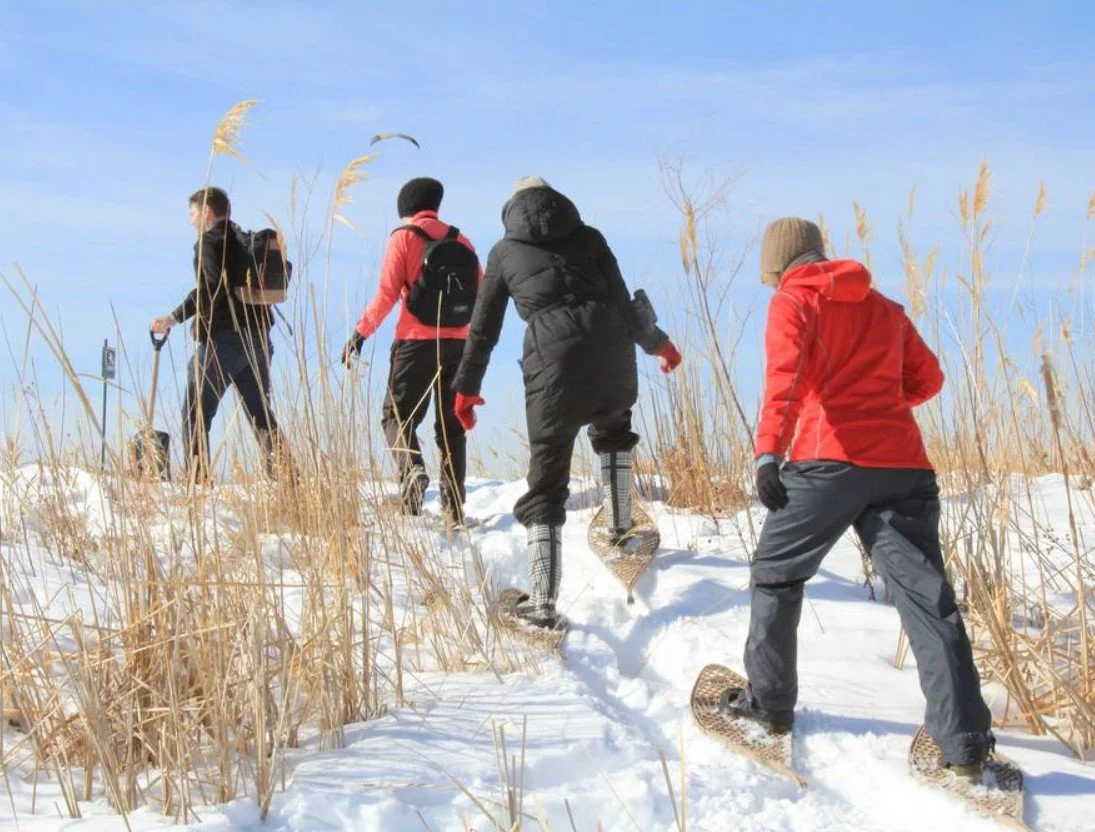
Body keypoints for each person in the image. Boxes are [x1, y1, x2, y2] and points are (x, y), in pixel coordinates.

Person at [721, 217, 994, 781]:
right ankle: (964, 743)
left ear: (779, 266)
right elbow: (930, 378)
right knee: (927, 599)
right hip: (903, 465)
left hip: (829, 460)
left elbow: (785, 380)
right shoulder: (884, 306)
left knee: (775, 573)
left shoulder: (793, 303)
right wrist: (884, 407)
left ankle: (769, 707)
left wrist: (769, 452)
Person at [451, 176, 683, 630]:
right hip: (610, 345)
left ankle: (541, 603)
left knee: (548, 473)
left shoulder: (503, 252)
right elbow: (623, 301)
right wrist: (661, 345)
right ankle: (620, 529)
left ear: (511, 207)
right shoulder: (590, 236)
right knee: (614, 429)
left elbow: (483, 329)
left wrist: (466, 387)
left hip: (552, 357)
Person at [342, 177, 481, 523]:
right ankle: (454, 508)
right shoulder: (461, 240)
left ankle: (412, 473)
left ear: (405, 207)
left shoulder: (402, 238)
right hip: (458, 343)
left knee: (396, 416)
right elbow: (482, 291)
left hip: (415, 343)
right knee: (450, 426)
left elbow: (387, 294)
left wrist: (360, 333)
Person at [150, 187, 284, 483]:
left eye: (193, 213)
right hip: (258, 342)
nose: (190, 220)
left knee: (194, 416)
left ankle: (199, 487)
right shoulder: (243, 240)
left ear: (207, 211)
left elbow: (209, 292)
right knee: (261, 417)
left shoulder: (209, 243)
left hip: (221, 342)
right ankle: (288, 483)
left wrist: (174, 317)